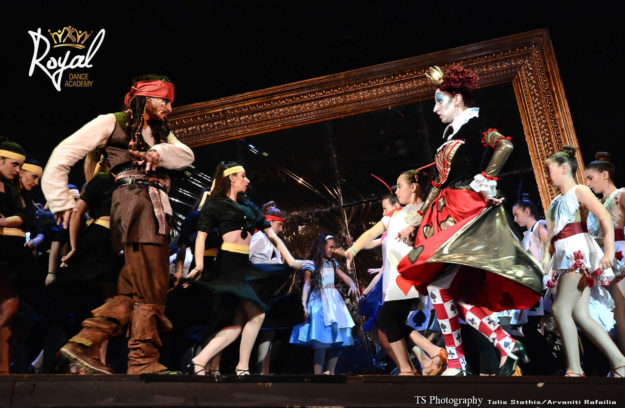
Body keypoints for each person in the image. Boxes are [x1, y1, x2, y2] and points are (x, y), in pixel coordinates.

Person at [41, 75, 194, 374]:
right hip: (136, 201)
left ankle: (86, 342)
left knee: (136, 285)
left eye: (170, 102)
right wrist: (60, 201)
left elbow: (186, 155)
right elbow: (63, 153)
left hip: (155, 205)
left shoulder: (161, 131)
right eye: (163, 100)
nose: (169, 108)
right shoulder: (111, 121)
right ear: (144, 98)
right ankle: (141, 358)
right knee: (151, 283)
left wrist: (158, 153)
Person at [396, 66, 543, 376]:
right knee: (445, 290)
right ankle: (501, 345)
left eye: (439, 101)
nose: (435, 109)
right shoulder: (450, 133)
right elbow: (438, 181)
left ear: (457, 99)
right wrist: (418, 220)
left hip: (464, 208)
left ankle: (460, 360)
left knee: (440, 287)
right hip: (444, 212)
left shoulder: (475, 124)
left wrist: (487, 178)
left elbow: (505, 145)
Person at [188, 162, 301, 376]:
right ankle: (241, 367)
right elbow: (201, 236)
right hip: (228, 265)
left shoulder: (250, 206)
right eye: (243, 176)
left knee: (238, 324)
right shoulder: (216, 204)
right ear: (231, 178)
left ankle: (201, 360)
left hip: (244, 265)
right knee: (256, 315)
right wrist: (200, 265)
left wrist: (291, 260)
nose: (247, 180)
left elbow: (272, 236)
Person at [346, 169, 447, 375]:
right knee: (390, 321)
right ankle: (425, 357)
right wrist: (353, 250)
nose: (397, 191)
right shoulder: (394, 214)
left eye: (400, 186)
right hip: (394, 282)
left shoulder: (425, 211)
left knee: (387, 319)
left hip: (410, 277)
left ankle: (412, 365)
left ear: (413, 187)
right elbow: (371, 233)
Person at [544, 146, 625, 377]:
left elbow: (605, 217)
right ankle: (619, 363)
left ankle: (575, 369)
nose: (547, 175)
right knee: (580, 315)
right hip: (564, 258)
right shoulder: (555, 202)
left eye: (549, 170)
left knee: (560, 309)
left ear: (564, 168)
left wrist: (608, 253)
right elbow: (551, 237)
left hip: (577, 256)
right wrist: (546, 264)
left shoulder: (579, 191)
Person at [290, 234, 357, 374]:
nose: (332, 250)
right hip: (319, 301)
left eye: (333, 247)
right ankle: (318, 376)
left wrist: (352, 284)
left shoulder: (333, 263)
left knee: (338, 338)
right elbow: (307, 284)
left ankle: (330, 372)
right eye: (330, 247)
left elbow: (344, 277)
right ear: (321, 246)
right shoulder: (311, 264)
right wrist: (303, 304)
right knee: (321, 339)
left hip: (334, 303)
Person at [585, 152, 625, 355]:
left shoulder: (621, 194)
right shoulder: (597, 206)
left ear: (605, 174)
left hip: (620, 254)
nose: (588, 184)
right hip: (604, 260)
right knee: (617, 313)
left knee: (621, 311)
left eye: (590, 178)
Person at [0, 139, 27, 375]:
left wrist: (5, 221)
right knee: (10, 305)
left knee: (11, 307)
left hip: (9, 254)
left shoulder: (9, 189)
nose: (18, 170)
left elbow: (22, 217)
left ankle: (3, 368)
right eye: (14, 164)